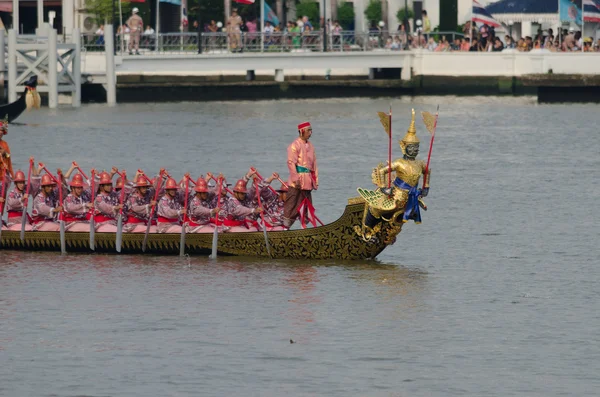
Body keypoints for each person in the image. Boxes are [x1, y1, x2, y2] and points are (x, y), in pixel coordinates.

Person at [356, 109, 430, 242]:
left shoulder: (419, 164)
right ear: (405, 148)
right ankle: (366, 229)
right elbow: (382, 171)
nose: (415, 150)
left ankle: (390, 229)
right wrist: (384, 188)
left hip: (411, 196)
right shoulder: (399, 163)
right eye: (412, 147)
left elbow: (427, 171)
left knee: (416, 208)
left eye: (416, 147)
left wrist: (426, 187)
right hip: (397, 195)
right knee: (376, 207)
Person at [284, 121, 318, 228]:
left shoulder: (311, 146)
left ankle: (305, 227)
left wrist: (315, 181)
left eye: (311, 130)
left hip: (307, 182)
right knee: (292, 205)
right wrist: (295, 179)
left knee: (306, 206)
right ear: (302, 131)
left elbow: (314, 165)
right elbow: (291, 163)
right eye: (309, 130)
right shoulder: (294, 145)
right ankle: (285, 228)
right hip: (297, 182)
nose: (311, 133)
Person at [1, 159, 42, 231]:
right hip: (14, 221)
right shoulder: (12, 193)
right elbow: (12, 203)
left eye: (23, 182)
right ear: (16, 184)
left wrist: (33, 166)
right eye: (19, 183)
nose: (22, 185)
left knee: (34, 227)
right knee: (31, 228)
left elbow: (35, 184)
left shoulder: (25, 189)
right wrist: (22, 198)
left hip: (24, 219)